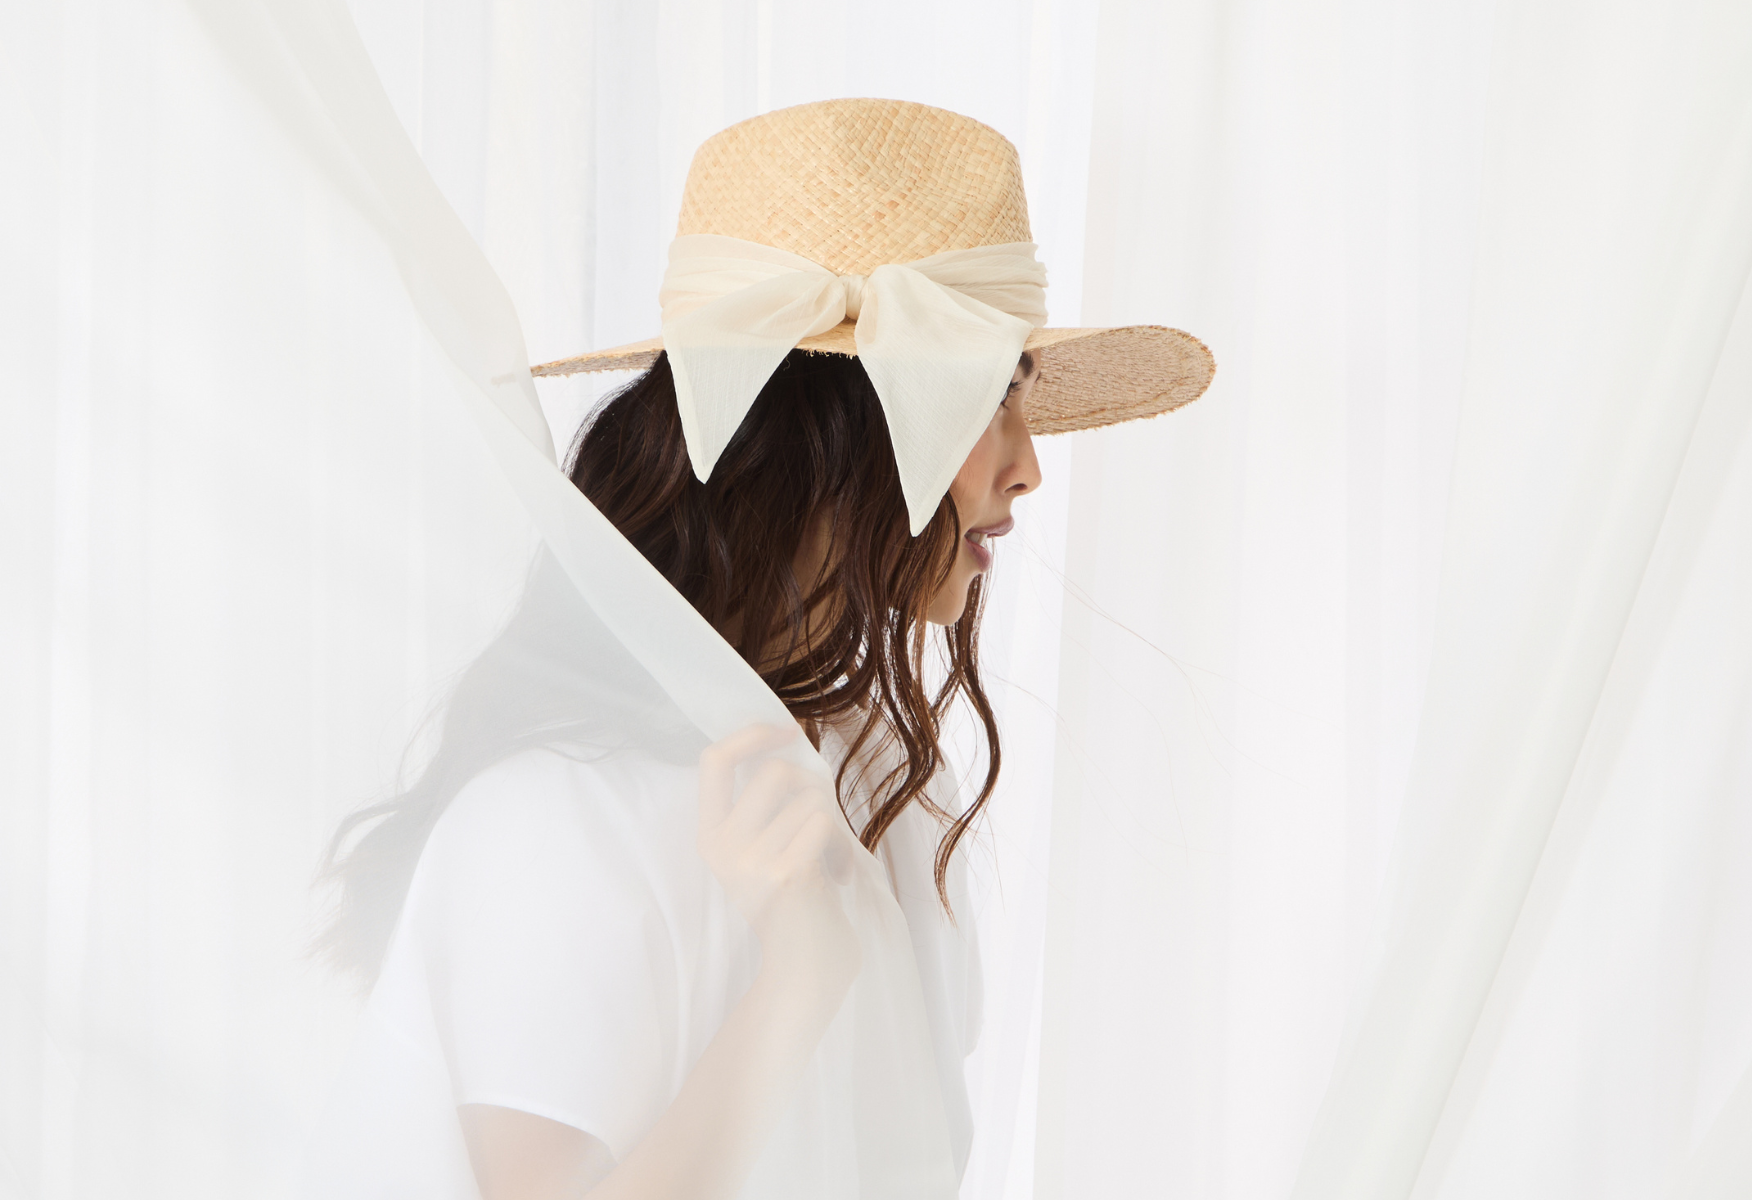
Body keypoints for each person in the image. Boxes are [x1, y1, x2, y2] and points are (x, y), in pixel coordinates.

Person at [309, 98, 1213, 1199]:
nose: (1028, 467)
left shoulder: (878, 787)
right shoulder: (550, 819)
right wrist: (796, 976)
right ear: (827, 434)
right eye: (991, 393)